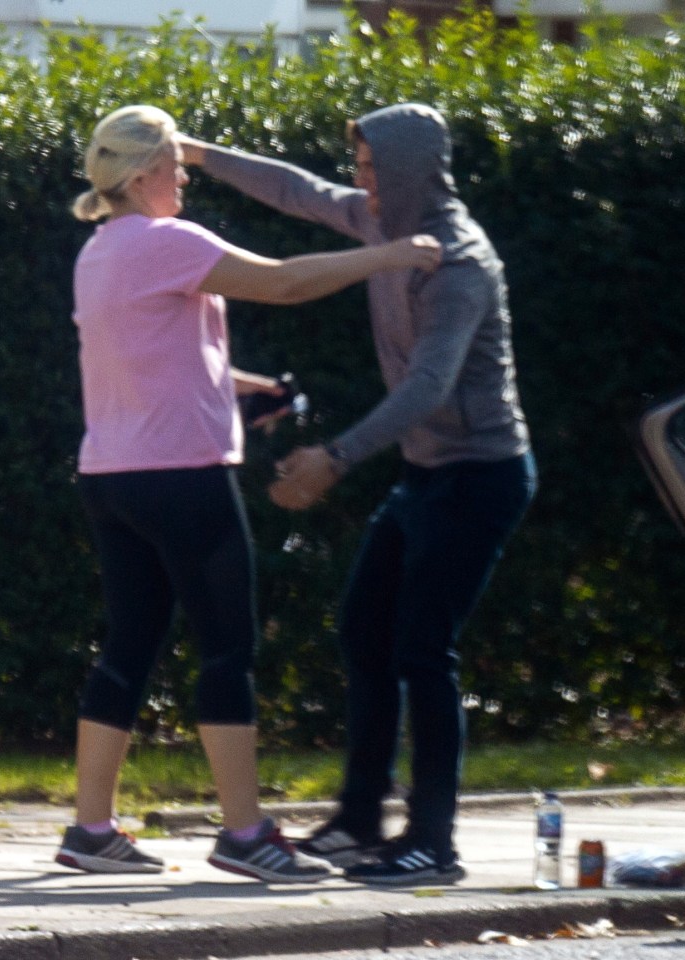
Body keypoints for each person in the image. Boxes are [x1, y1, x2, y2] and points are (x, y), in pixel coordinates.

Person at [54, 104, 442, 883]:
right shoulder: (169, 242)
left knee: (129, 645)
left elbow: (152, 358)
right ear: (141, 176)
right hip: (183, 481)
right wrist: (390, 253)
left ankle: (89, 828)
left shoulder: (97, 252)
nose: (182, 182)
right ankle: (245, 835)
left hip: (113, 479)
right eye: (173, 169)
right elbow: (287, 283)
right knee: (228, 649)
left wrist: (248, 388)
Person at [181, 102, 537, 885]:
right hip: (425, 476)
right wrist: (200, 154)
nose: (359, 180)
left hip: (479, 476)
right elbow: (296, 189)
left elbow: (430, 385)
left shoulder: (458, 263)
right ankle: (359, 818)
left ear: (410, 170)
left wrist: (336, 457)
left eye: (373, 167)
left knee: (420, 650)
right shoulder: (383, 223)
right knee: (362, 634)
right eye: (361, 165)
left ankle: (432, 844)